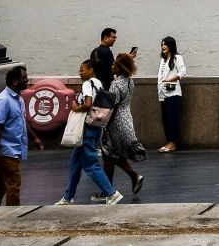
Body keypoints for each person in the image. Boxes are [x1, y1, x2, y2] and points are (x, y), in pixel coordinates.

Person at [59, 59, 121, 205]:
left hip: (85, 127)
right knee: (75, 163)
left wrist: (76, 108)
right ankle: (68, 197)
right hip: (95, 126)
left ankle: (111, 193)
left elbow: (87, 104)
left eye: (82, 69)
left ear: (90, 69)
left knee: (91, 163)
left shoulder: (87, 84)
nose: (80, 72)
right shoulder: (99, 83)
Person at [100, 51, 146, 196]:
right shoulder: (129, 82)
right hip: (126, 118)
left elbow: (112, 107)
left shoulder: (115, 84)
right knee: (110, 153)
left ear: (119, 67)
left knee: (109, 153)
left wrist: (106, 126)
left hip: (116, 122)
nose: (112, 66)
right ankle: (109, 189)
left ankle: (111, 189)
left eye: (114, 64)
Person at [0, 65, 29, 206]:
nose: (27, 80)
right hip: (6, 152)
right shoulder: (3, 101)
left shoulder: (18, 98)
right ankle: (13, 217)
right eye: (24, 78)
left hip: (14, 150)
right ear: (15, 82)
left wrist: (35, 138)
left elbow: (22, 121)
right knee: (14, 185)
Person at [157, 36, 185, 153]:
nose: (163, 46)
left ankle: (172, 143)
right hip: (163, 94)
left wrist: (171, 79)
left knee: (172, 118)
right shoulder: (163, 59)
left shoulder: (177, 57)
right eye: (162, 44)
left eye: (165, 44)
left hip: (173, 93)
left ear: (171, 45)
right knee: (165, 119)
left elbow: (182, 72)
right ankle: (169, 142)